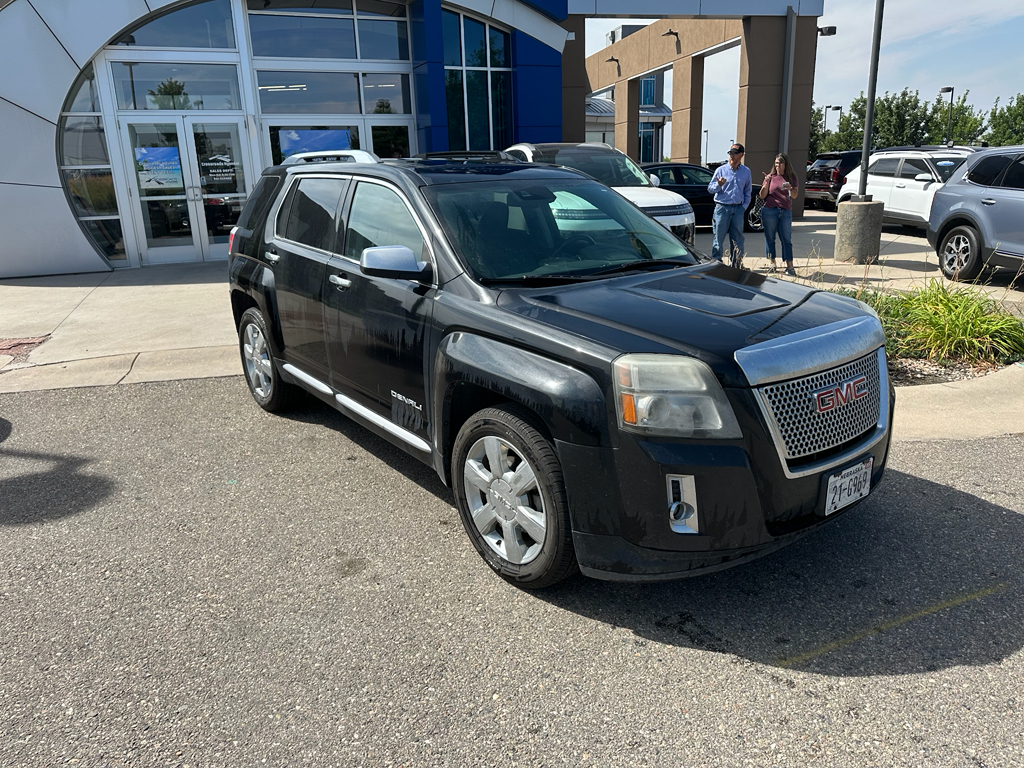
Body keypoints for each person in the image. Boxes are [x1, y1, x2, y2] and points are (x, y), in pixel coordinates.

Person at [706, 143, 752, 268]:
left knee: (737, 238)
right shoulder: (721, 170)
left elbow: (748, 192)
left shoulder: (746, 172)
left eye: (735, 153)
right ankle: (717, 263)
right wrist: (719, 185)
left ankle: (736, 264)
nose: (732, 156)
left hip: (738, 209)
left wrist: (743, 207)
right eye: (730, 153)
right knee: (718, 237)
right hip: (722, 208)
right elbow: (710, 189)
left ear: (741, 155)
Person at [759, 152, 799, 277]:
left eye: (781, 163)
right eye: (776, 163)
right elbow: (762, 195)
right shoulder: (771, 176)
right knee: (770, 238)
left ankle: (790, 266)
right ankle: (772, 263)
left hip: (785, 211)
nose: (778, 166)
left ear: (786, 164)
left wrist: (790, 189)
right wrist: (766, 183)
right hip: (770, 210)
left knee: (786, 239)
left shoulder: (791, 177)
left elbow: (795, 195)